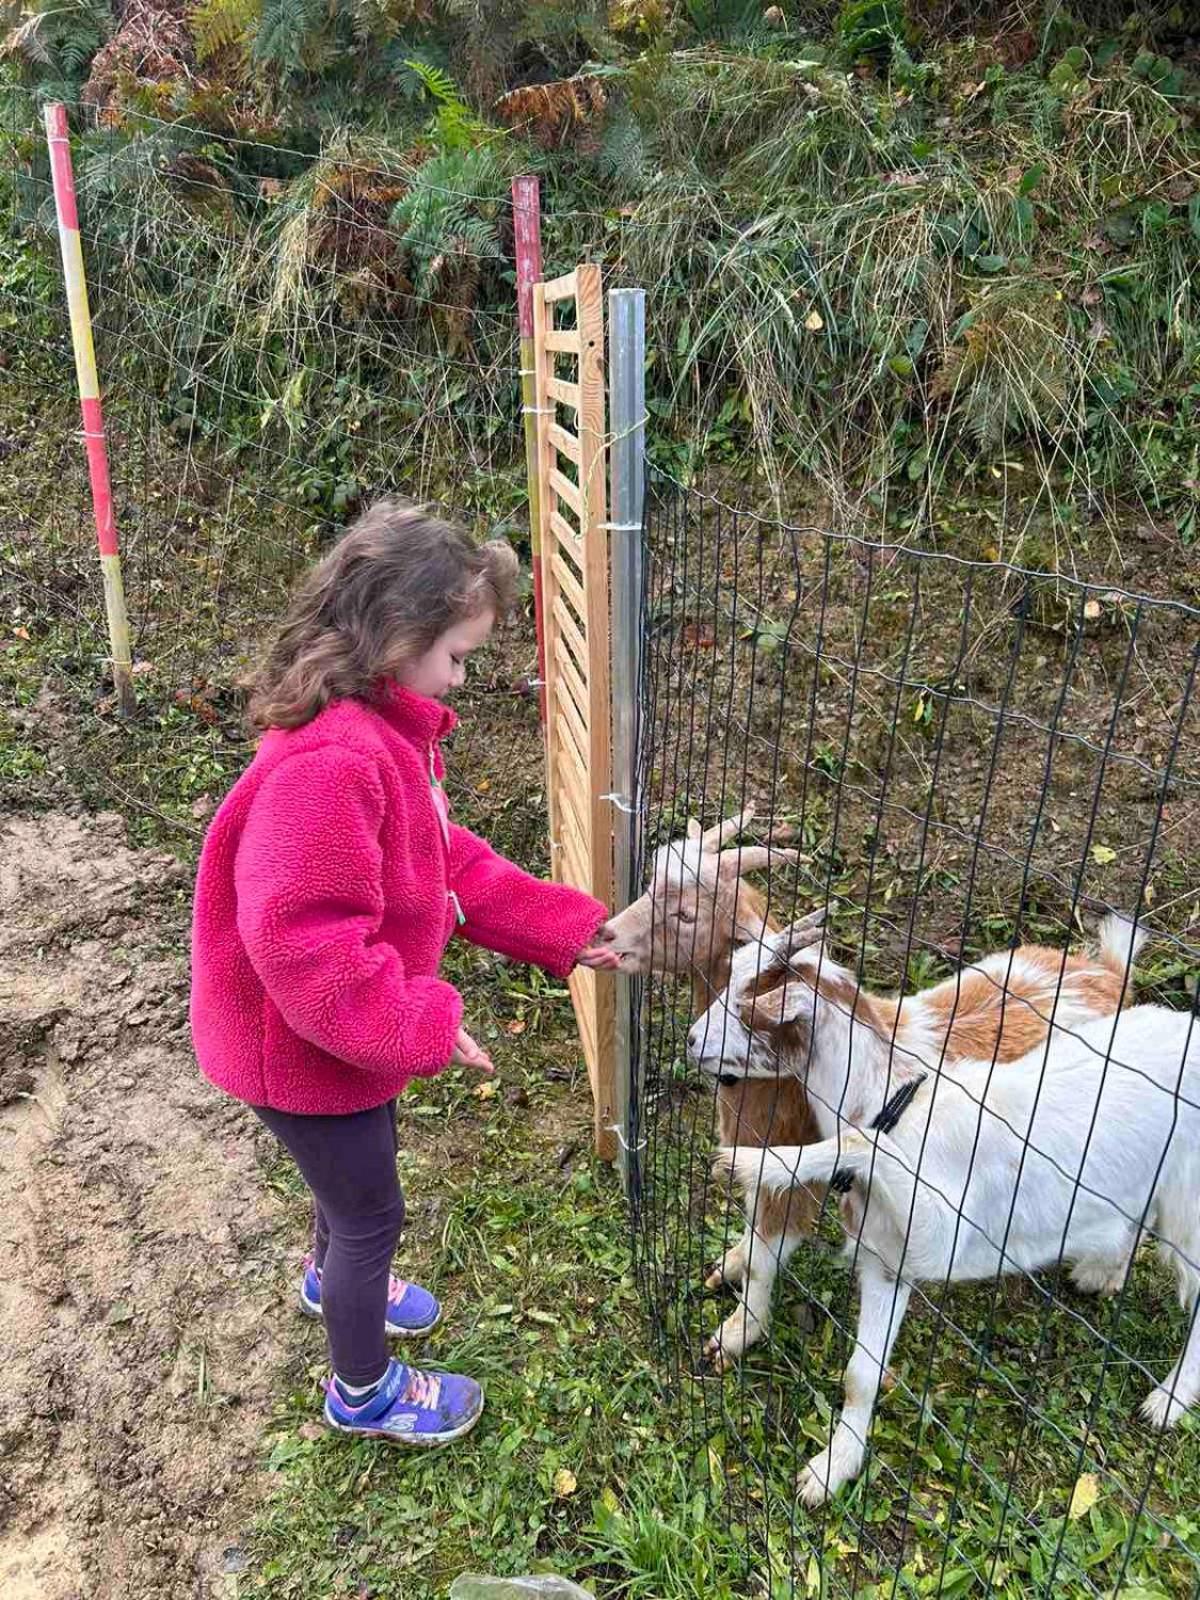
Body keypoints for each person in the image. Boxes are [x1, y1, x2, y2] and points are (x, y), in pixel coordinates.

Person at [190, 498, 618, 1447]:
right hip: (297, 1044)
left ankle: (328, 1273)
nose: (462, 676)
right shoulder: (333, 764)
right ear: (398, 636)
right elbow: (303, 942)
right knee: (371, 1206)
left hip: (330, 1042)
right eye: (457, 655)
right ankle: (362, 1392)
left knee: (349, 1186)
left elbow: (443, 860)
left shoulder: (385, 737)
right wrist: (417, 1019)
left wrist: (567, 928)